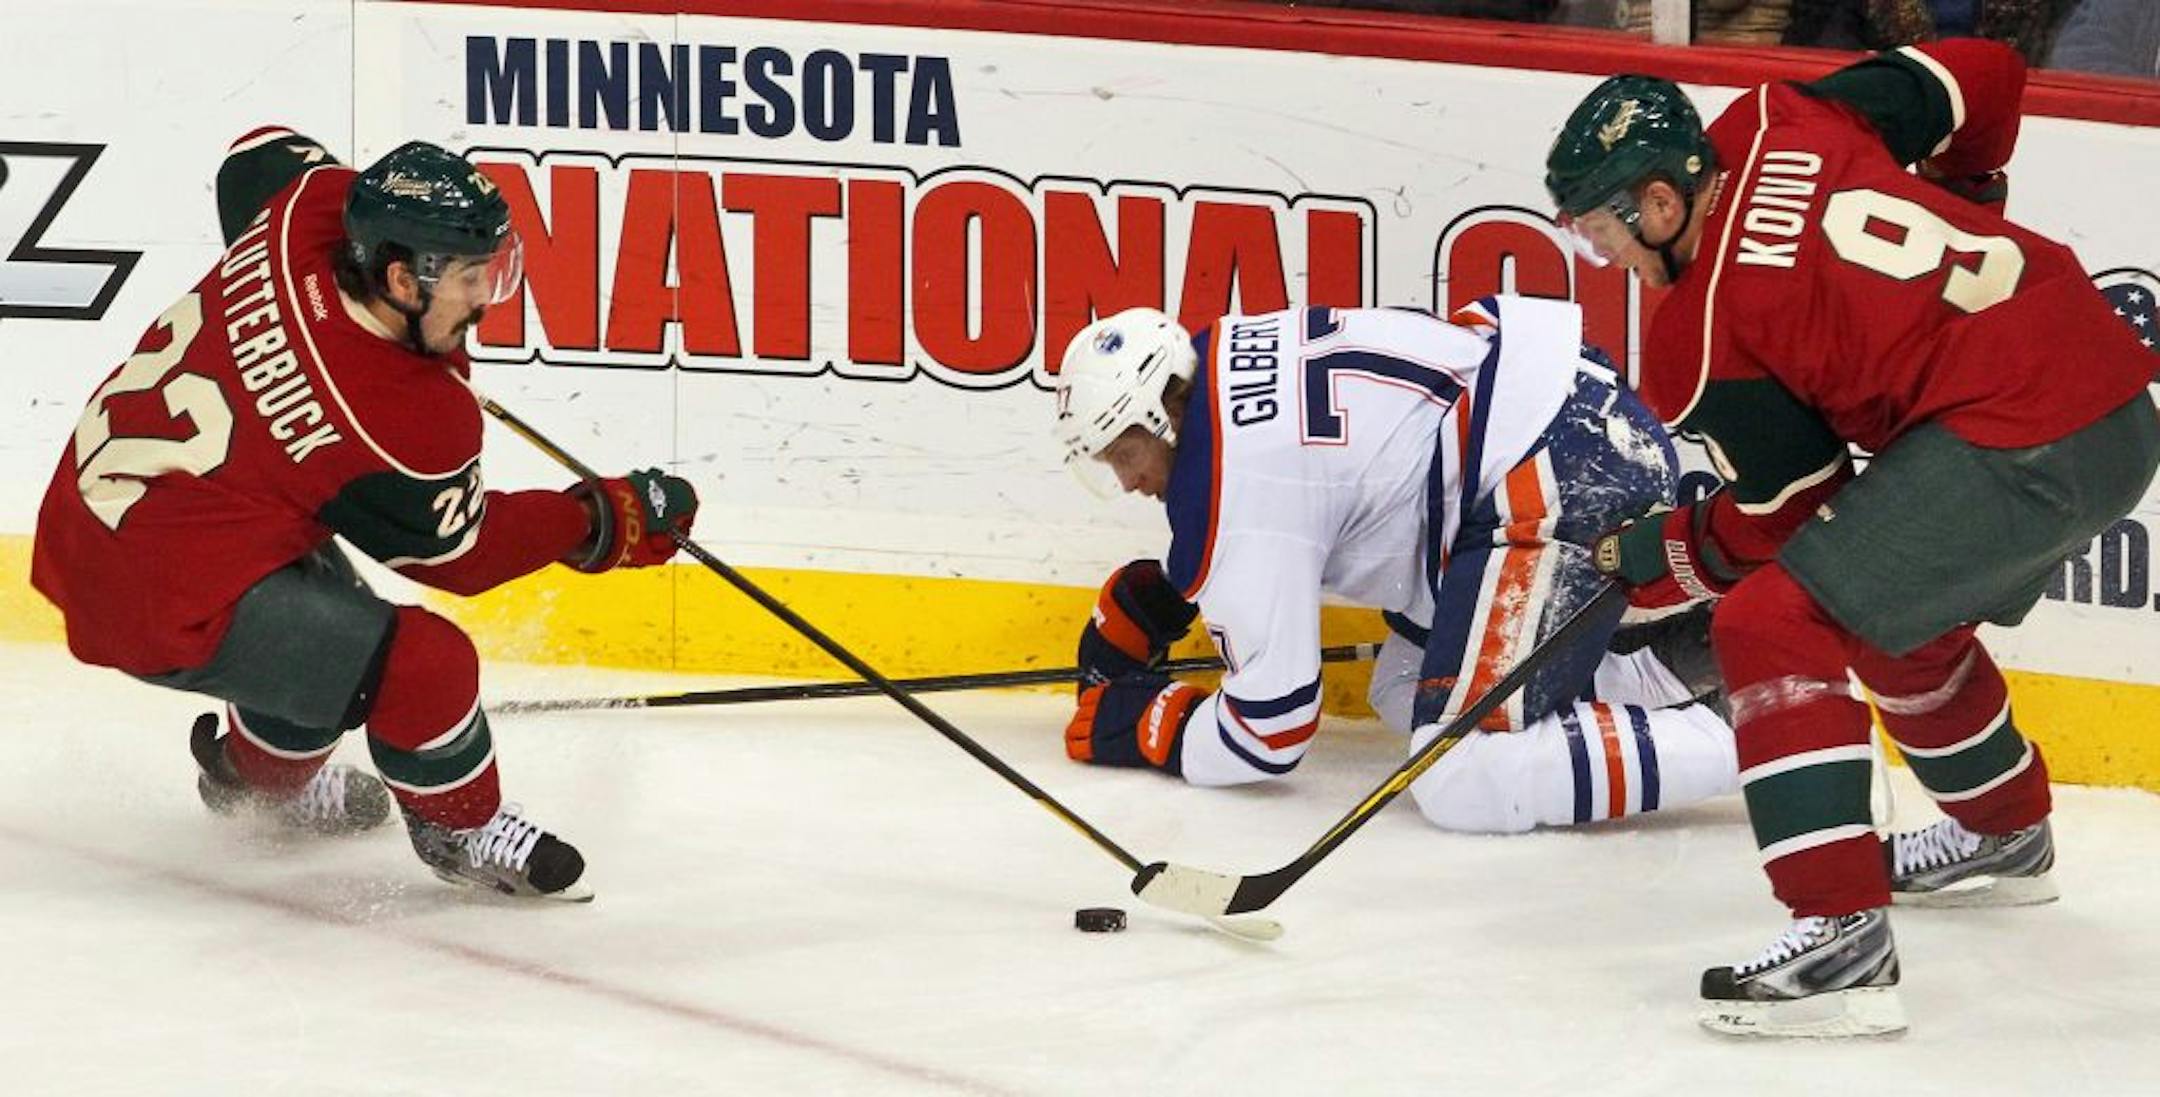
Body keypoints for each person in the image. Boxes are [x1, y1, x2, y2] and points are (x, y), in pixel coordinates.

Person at [1545, 41, 2160, 1036]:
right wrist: (1971, 195)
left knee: (1772, 624)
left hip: (2024, 436)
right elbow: (1989, 75)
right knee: (1878, 599)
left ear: (1660, 205)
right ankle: (2003, 834)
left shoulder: (1699, 336)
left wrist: (1677, 546)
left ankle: (1840, 944)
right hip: (2112, 390)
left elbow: (1792, 513)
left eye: (1600, 229)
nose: (1601, 253)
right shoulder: (1779, 116)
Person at [31, 127, 700, 900]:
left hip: (99, 510)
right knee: (423, 663)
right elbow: (464, 557)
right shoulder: (401, 421)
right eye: (472, 276)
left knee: (330, 636)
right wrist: (602, 518)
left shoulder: (307, 207)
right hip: (156, 598)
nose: (487, 298)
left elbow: (257, 155)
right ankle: (463, 826)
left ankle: (249, 782)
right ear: (402, 278)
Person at [1051, 298, 1739, 837]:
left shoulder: (1229, 498)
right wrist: (1186, 588)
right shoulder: (1226, 348)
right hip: (1566, 410)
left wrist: (1150, 725)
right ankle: (1665, 670)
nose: (1127, 481)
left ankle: (1749, 732)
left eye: (1121, 454)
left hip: (1553, 471)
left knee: (1458, 773)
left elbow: (1269, 729)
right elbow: (1302, 483)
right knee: (1403, 681)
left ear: (1159, 419)